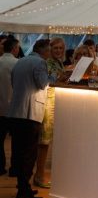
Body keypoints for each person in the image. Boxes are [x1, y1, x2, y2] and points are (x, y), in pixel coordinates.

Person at [8, 39, 51, 198]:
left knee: (19, 153)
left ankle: (23, 186)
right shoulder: (40, 62)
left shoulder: (20, 61)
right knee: (28, 154)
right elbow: (42, 83)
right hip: (30, 113)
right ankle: (23, 192)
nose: (49, 54)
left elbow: (14, 83)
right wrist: (54, 76)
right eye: (48, 51)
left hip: (16, 112)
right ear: (43, 51)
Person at [34, 37, 66, 189]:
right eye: (55, 48)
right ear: (50, 49)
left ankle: (41, 175)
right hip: (49, 102)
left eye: (61, 48)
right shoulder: (48, 62)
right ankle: (39, 175)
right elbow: (49, 82)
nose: (58, 51)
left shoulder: (59, 62)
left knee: (47, 141)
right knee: (44, 142)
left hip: (55, 102)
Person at [0, 36, 20, 176]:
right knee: (17, 142)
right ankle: (15, 169)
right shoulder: (18, 64)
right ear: (14, 48)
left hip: (0, 107)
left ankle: (0, 167)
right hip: (15, 108)